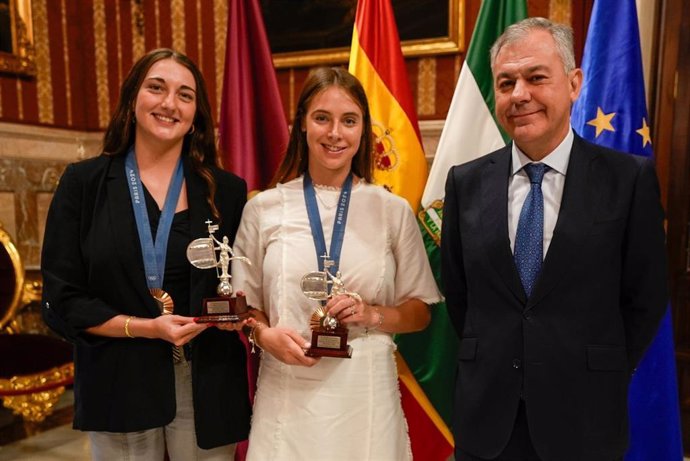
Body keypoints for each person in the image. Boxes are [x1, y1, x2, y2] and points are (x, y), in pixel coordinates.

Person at [441, 18, 668, 461]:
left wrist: (597, 366)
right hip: (487, 422)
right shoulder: (464, 182)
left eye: (536, 77)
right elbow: (460, 296)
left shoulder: (627, 180)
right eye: (506, 82)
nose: (519, 94)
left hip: (584, 418)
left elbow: (644, 298)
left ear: (573, 83)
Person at [40, 48, 250, 461]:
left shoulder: (227, 191)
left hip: (206, 380)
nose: (169, 103)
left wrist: (239, 315)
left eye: (185, 95)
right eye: (157, 88)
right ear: (133, 98)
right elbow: (62, 300)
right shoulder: (84, 184)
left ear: (197, 115)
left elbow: (244, 282)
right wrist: (144, 328)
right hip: (119, 379)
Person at [230, 66, 441, 460]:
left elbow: (420, 313)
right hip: (288, 388)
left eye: (349, 121)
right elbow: (245, 305)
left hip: (366, 391)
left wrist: (372, 314)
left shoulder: (392, 210)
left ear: (363, 131)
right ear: (302, 126)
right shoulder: (263, 208)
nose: (334, 133)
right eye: (322, 118)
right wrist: (263, 336)